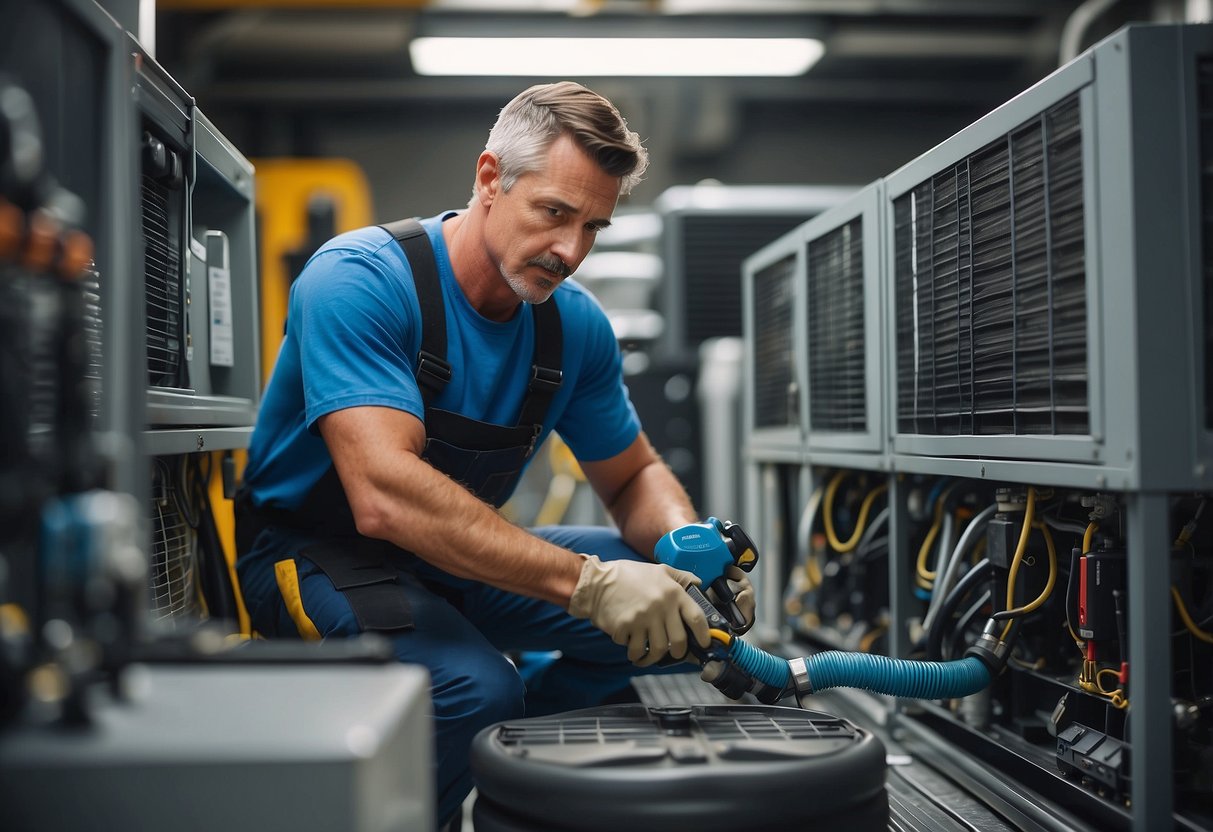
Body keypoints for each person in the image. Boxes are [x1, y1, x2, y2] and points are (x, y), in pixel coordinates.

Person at [234, 81, 755, 829]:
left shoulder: (571, 328)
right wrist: (589, 586)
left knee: (679, 626)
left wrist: (688, 553)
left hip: (452, 556)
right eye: (554, 214)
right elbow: (383, 493)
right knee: (474, 689)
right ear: (489, 178)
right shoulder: (361, 280)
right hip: (314, 554)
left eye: (593, 228)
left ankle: (516, 779)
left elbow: (634, 472)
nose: (570, 251)